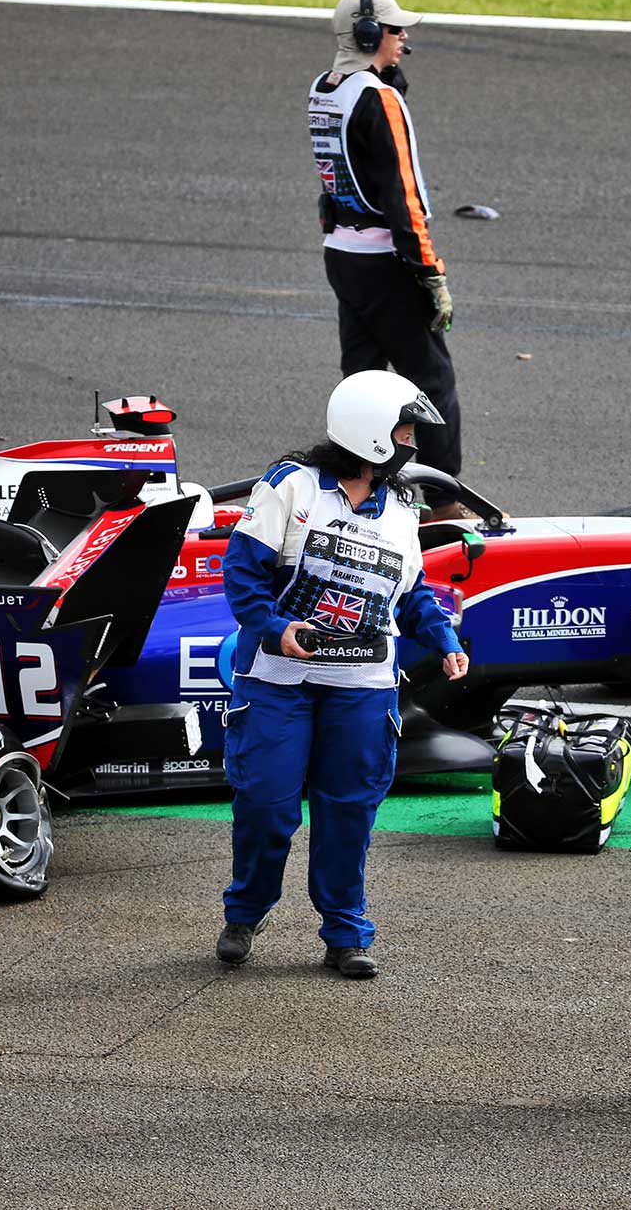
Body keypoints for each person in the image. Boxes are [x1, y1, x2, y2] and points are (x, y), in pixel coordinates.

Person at [215, 370, 468, 978]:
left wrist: (445, 640)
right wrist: (276, 630)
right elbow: (242, 576)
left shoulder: (404, 509)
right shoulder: (289, 488)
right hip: (277, 680)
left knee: (349, 810)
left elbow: (410, 595)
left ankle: (346, 933)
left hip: (363, 688)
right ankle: (245, 913)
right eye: (404, 428)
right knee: (266, 804)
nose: (413, 440)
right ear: (370, 431)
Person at [308, 0, 468, 521]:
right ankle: (445, 504)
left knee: (360, 377)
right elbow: (405, 194)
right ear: (369, 34)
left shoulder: (323, 89)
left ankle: (353, 490)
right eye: (396, 31)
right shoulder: (379, 99)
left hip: (342, 256)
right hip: (386, 261)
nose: (404, 40)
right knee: (432, 382)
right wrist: (430, 272)